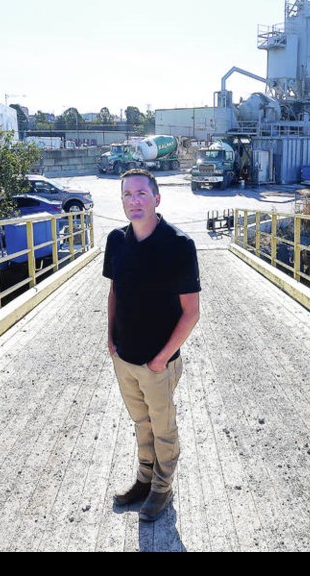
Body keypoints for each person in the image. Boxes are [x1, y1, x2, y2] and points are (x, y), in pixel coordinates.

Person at [104, 168, 201, 522]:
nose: (134, 201)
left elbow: (191, 312)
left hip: (158, 362)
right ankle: (145, 478)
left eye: (141, 193)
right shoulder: (116, 240)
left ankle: (163, 486)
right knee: (140, 421)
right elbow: (114, 291)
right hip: (124, 357)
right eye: (127, 195)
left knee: (163, 426)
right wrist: (110, 338)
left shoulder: (178, 245)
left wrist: (161, 359)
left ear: (157, 198)